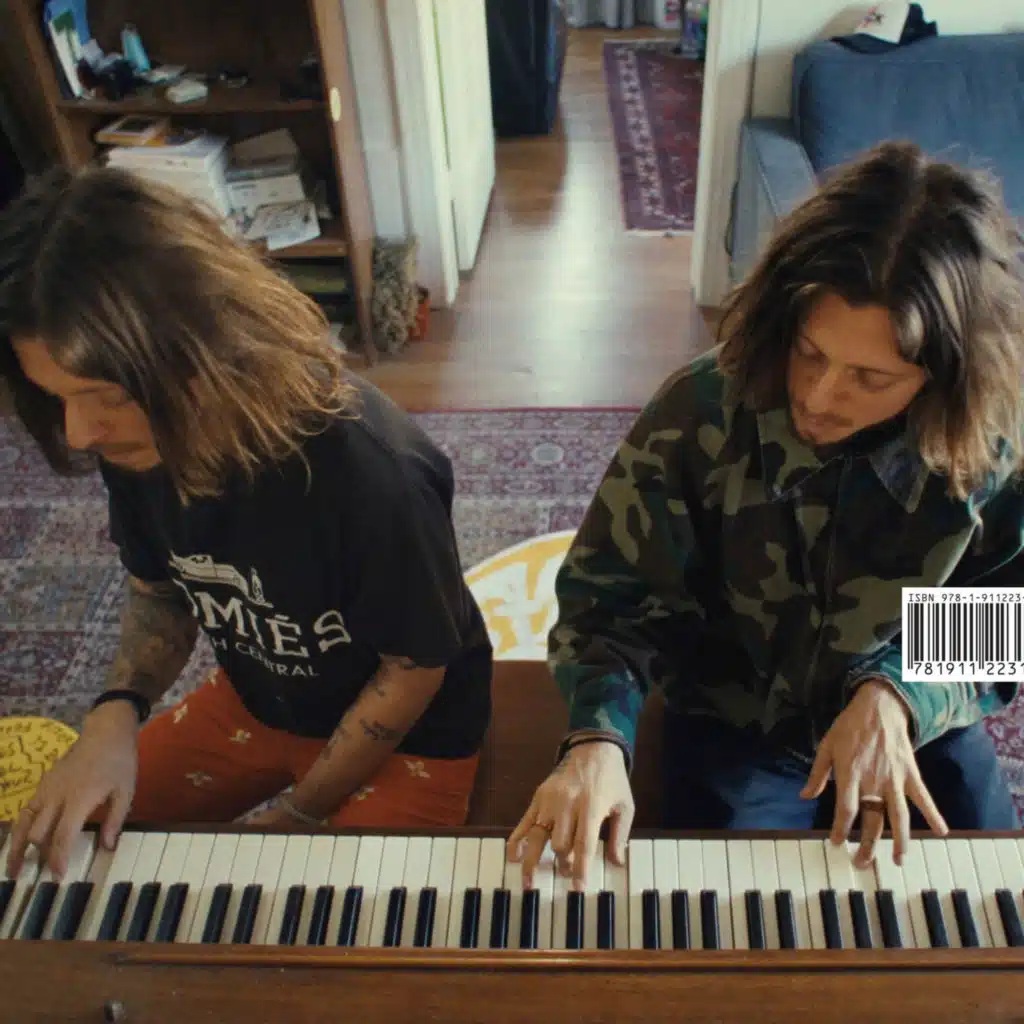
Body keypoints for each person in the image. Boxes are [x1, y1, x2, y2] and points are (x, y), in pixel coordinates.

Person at [509, 140, 1024, 888]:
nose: (817, 398)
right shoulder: (699, 410)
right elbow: (612, 606)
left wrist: (897, 694)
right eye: (809, 353)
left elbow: (1005, 612)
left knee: (993, 886)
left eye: (870, 378)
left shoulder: (994, 440)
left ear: (945, 376)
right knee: (729, 914)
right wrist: (597, 739)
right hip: (740, 721)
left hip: (911, 706)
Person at [0, 165, 493, 879]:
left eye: (104, 396)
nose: (79, 432)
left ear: (203, 346)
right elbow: (161, 589)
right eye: (59, 399)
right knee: (62, 852)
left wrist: (300, 813)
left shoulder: (372, 470)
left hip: (412, 735)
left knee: (321, 925)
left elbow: (414, 670)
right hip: (257, 704)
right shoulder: (134, 437)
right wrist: (113, 713)